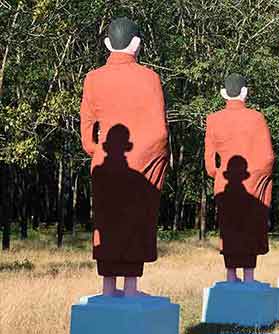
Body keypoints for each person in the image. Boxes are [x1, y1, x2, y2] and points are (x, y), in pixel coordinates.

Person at [80, 17, 168, 296]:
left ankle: (107, 288)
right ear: (137, 43)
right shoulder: (149, 78)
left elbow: (87, 129)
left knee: (106, 222)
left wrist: (96, 151)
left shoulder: (93, 78)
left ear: (107, 44)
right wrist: (148, 161)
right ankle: (130, 287)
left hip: (103, 163)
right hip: (141, 166)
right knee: (135, 221)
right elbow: (159, 132)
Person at [204, 74, 274, 283]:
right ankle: (249, 276)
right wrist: (257, 177)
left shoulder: (213, 119)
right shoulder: (256, 118)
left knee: (230, 228)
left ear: (223, 93)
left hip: (224, 183)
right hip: (252, 183)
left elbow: (209, 160)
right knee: (249, 228)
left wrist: (217, 174)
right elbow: (268, 157)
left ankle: (231, 275)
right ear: (245, 92)